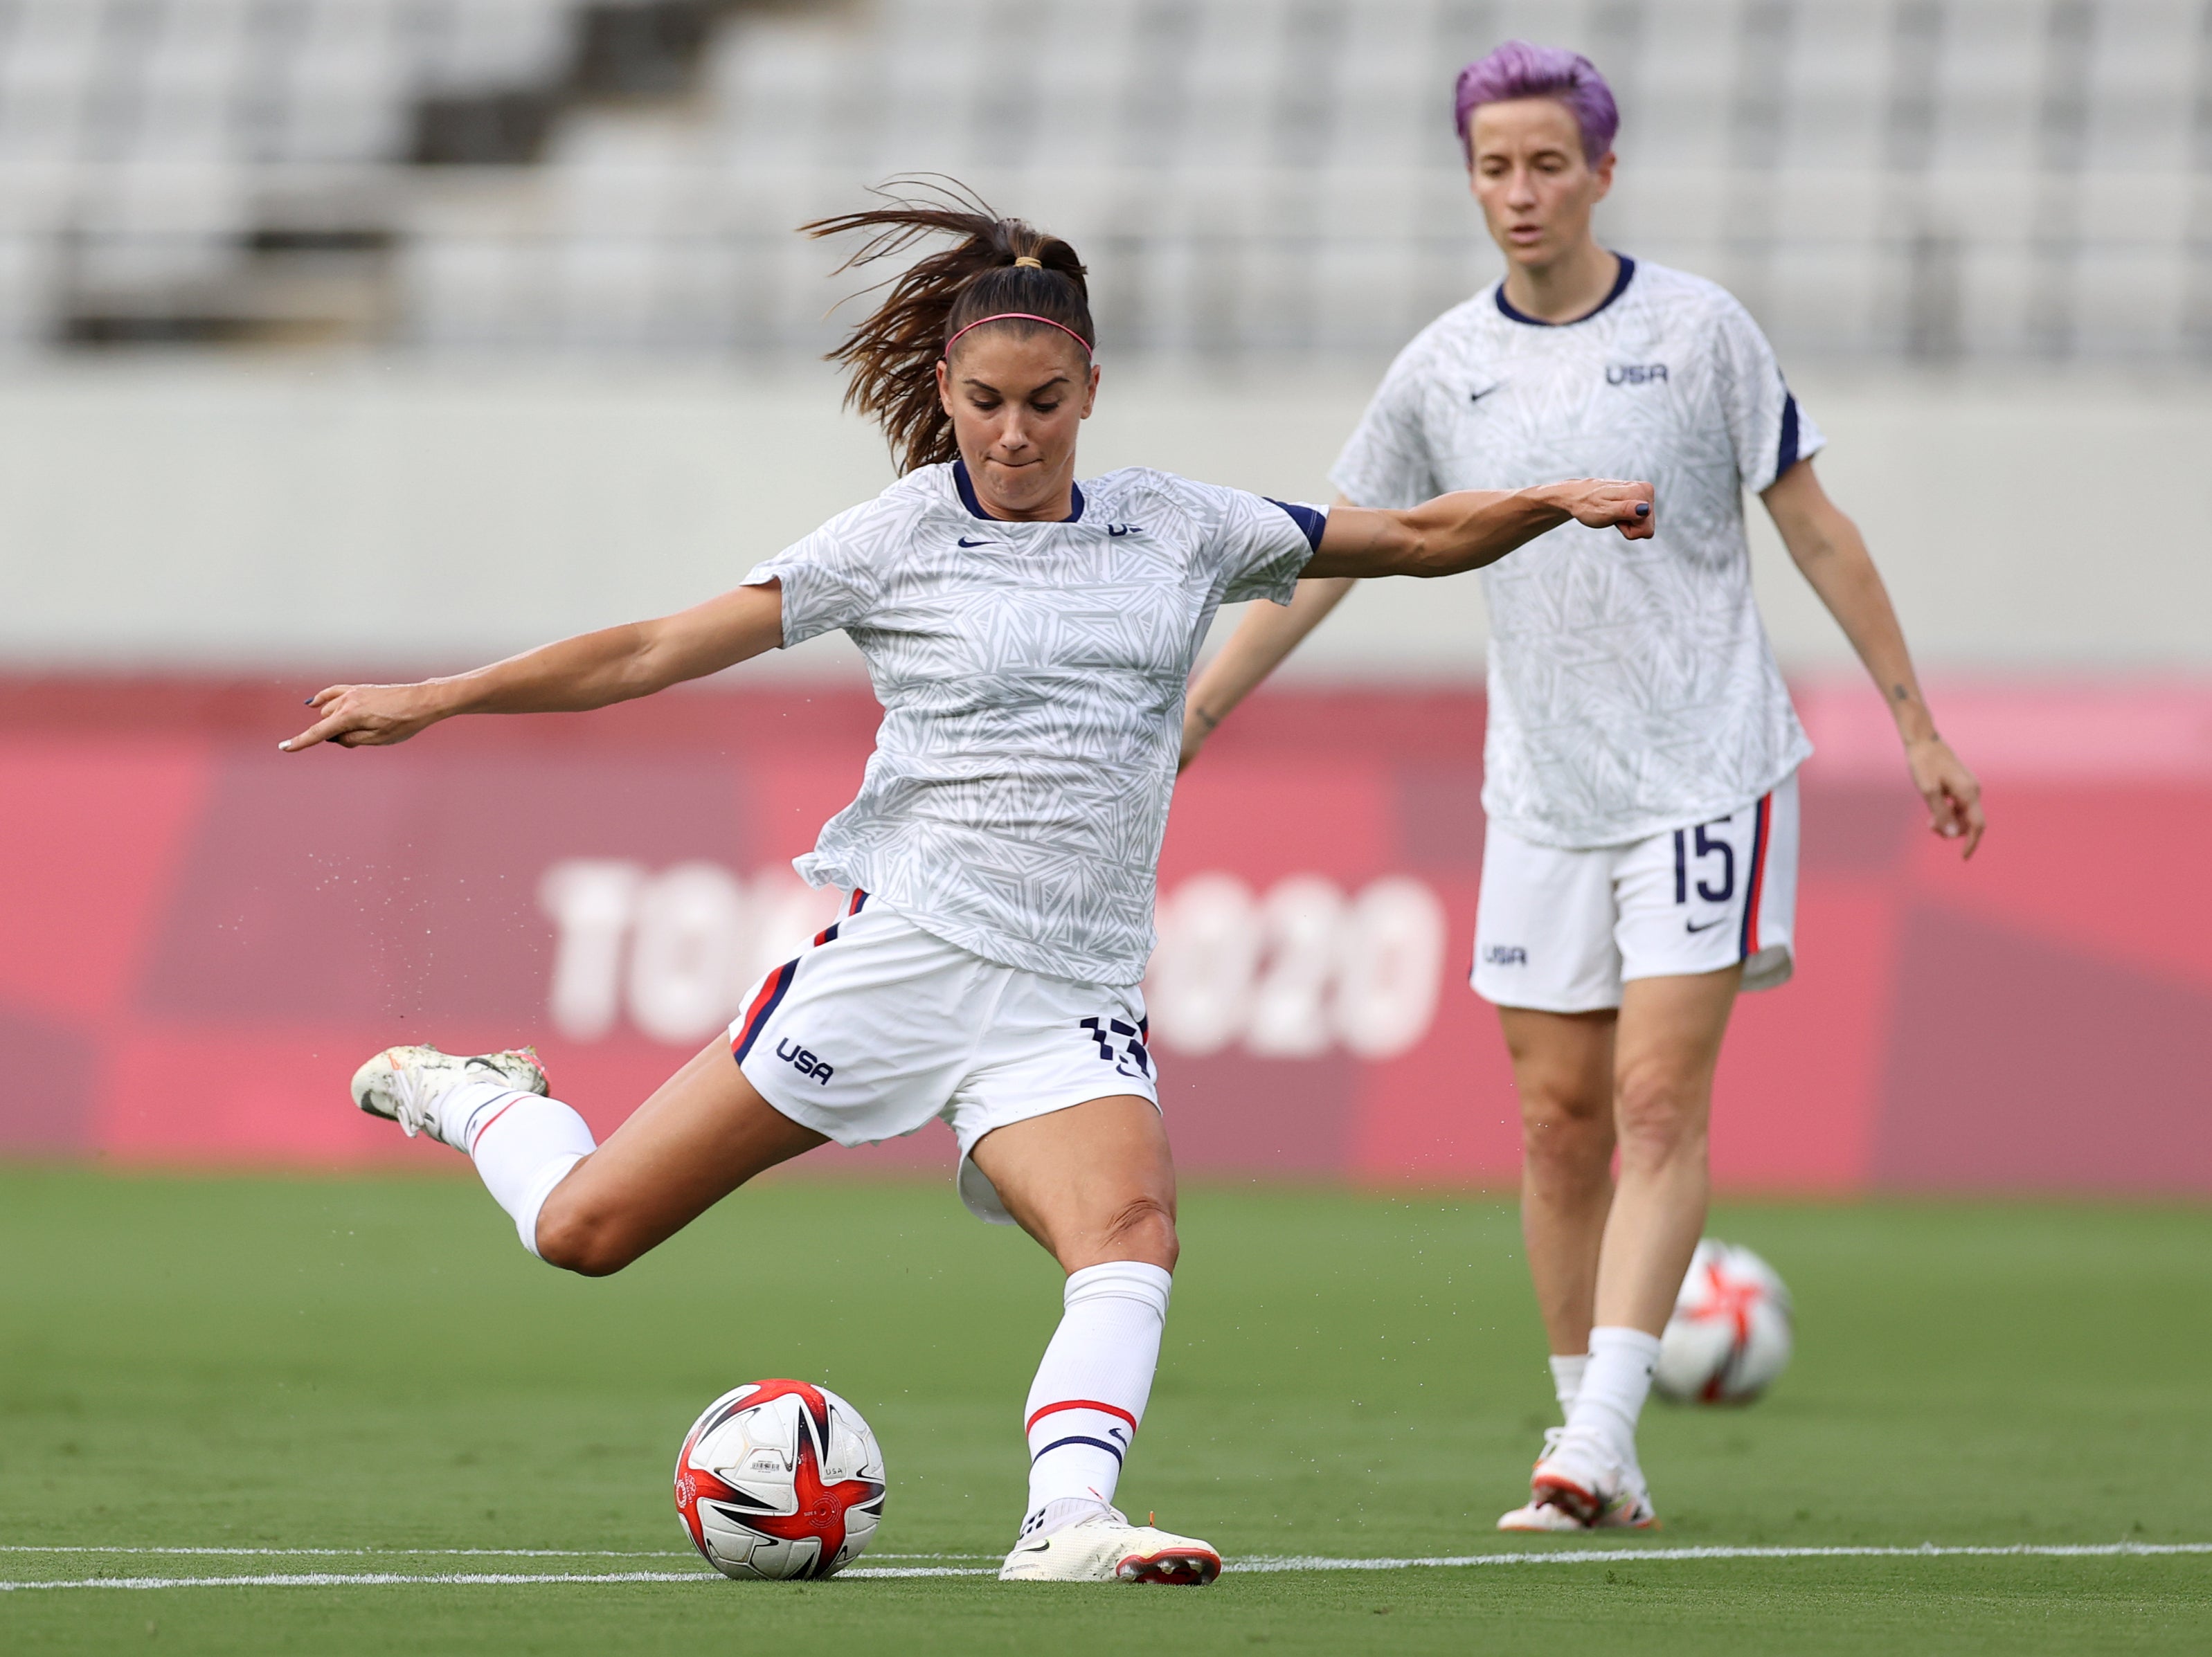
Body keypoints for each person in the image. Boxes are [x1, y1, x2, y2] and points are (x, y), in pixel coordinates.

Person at [278, 183, 1656, 1582]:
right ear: (942, 387)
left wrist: (1548, 502)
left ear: (1090, 390)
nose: (1012, 433)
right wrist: (440, 697)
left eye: (1045, 402)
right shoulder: (892, 541)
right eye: (986, 400)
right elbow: (648, 651)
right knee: (584, 1234)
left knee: (1128, 1232)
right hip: (906, 955)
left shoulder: (1181, 528)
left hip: (1067, 989)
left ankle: (1066, 1517)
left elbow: (1412, 541)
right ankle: (485, 1102)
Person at [1179, 44, 1985, 1534]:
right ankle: (1585, 1444)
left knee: (1654, 1097)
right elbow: (1328, 556)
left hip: (1704, 765)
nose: (1520, 191)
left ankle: (1601, 1436)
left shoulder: (1696, 333)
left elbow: (1811, 529)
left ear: (1601, 171)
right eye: (1493, 166)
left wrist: (1914, 724)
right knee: (1557, 1121)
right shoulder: (1439, 367)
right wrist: (1203, 711)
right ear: (1467, 177)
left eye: (1547, 163)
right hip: (1539, 787)